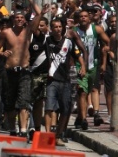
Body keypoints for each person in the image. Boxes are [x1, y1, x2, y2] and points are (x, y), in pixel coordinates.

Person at [0, 0, 39, 138]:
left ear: (25, 20)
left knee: (24, 101)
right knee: (10, 103)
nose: (19, 20)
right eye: (17, 18)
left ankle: (24, 129)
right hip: (9, 71)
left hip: (24, 71)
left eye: (22, 18)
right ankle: (13, 129)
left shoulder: (28, 31)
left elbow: (39, 14)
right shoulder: (6, 33)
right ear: (13, 19)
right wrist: (2, 53)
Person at [45, 18, 86, 146]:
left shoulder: (68, 42)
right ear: (51, 29)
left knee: (65, 109)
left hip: (66, 80)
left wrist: (83, 66)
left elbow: (77, 55)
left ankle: (58, 135)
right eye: (55, 27)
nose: (58, 29)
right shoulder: (47, 41)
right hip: (52, 79)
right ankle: (47, 137)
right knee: (49, 108)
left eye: (59, 27)